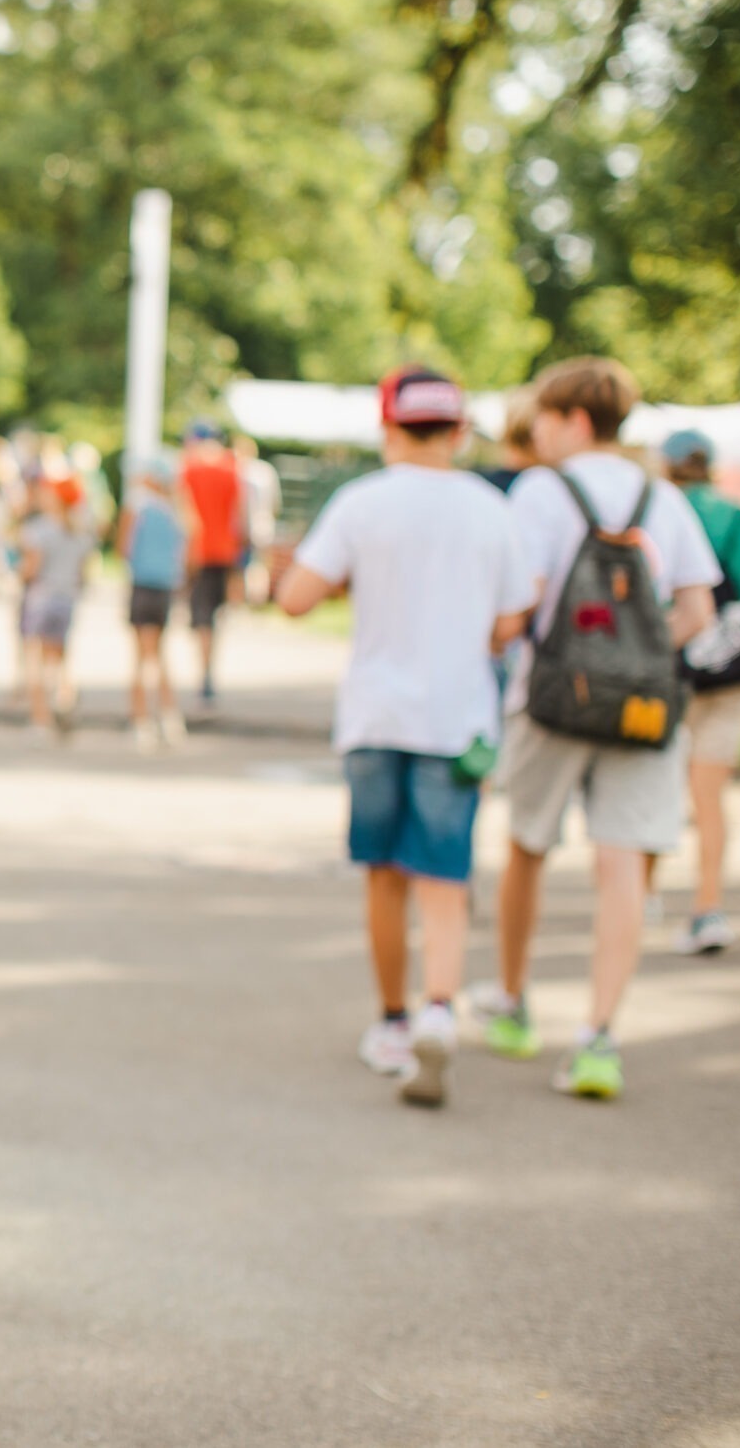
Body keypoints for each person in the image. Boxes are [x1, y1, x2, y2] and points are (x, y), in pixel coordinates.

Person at [276, 368, 534, 1109]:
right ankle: (440, 1010)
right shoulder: (491, 509)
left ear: (389, 429)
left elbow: (295, 599)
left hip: (376, 715)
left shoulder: (361, 502)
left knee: (384, 875)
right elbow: (512, 619)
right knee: (445, 879)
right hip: (458, 719)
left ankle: (391, 1021)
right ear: (459, 432)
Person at [481, 358, 716, 1101]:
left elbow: (519, 603)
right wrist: (638, 658)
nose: (537, 433)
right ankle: (599, 1036)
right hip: (643, 708)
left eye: (544, 418)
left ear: (576, 418)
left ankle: (514, 1000)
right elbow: (697, 612)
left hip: (552, 700)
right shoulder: (664, 497)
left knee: (528, 843)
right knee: (622, 866)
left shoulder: (544, 493)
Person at [658, 426, 740, 955]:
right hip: (732, 666)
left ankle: (637, 896)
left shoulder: (660, 511)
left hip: (670, 664)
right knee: (710, 798)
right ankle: (707, 909)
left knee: (656, 786)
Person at [119, 452, 190, 750]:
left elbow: (124, 547)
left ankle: (141, 721)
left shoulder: (138, 505)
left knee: (141, 657)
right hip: (165, 587)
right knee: (159, 654)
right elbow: (187, 549)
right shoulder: (176, 510)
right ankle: (170, 719)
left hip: (143, 585)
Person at [17, 479, 92, 738]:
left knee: (34, 661)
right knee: (59, 659)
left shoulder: (39, 529)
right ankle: (63, 701)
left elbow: (30, 568)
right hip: (66, 598)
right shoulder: (81, 532)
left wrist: (15, 577)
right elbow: (84, 573)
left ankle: (41, 719)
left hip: (41, 598)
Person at [179, 422, 244, 706]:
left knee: (201, 619)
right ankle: (208, 673)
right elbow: (239, 516)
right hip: (225, 552)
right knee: (214, 618)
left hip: (199, 553)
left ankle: (203, 676)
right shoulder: (232, 468)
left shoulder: (189, 468)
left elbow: (186, 515)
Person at [235, 434, 281, 603]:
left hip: (245, 524)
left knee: (241, 564)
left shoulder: (239, 471)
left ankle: (241, 598)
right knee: (261, 563)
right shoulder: (266, 470)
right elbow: (276, 502)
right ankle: (257, 598)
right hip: (264, 523)